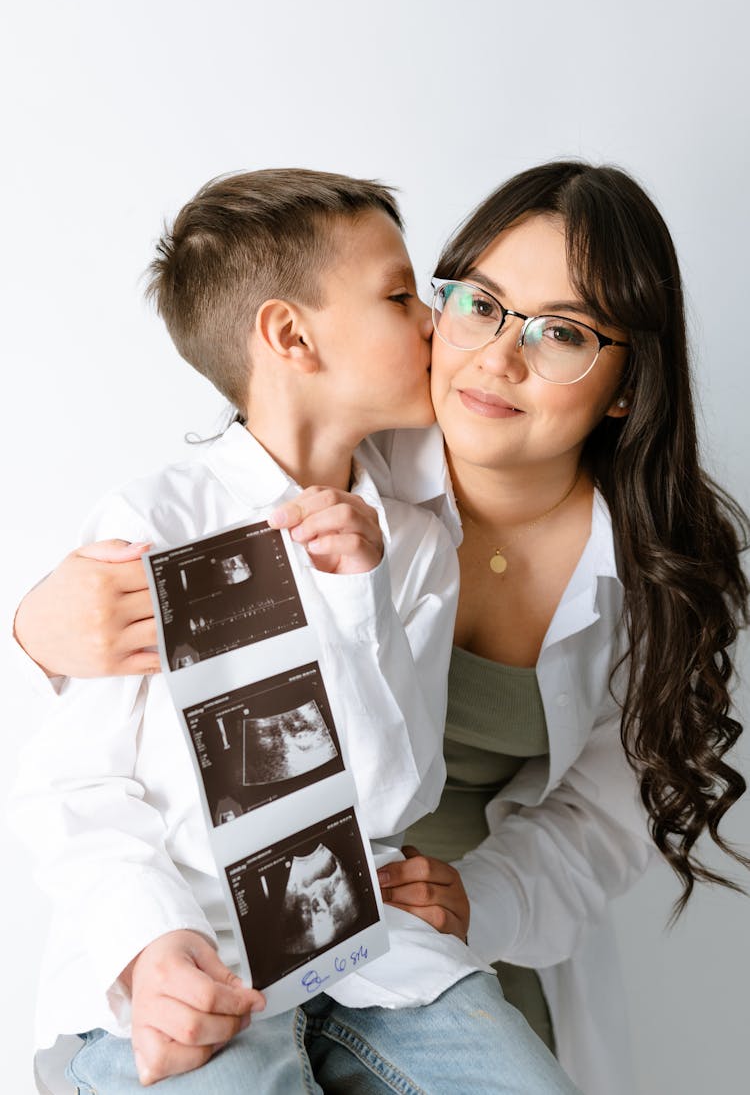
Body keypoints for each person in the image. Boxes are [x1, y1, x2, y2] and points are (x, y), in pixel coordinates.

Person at [13, 161, 749, 1095]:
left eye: (563, 331)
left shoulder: (605, 572)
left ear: (623, 389)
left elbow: (580, 820)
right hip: (198, 929)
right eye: (474, 302)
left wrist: (482, 898)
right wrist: (31, 621)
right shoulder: (342, 460)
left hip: (426, 923)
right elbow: (82, 765)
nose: (489, 353)